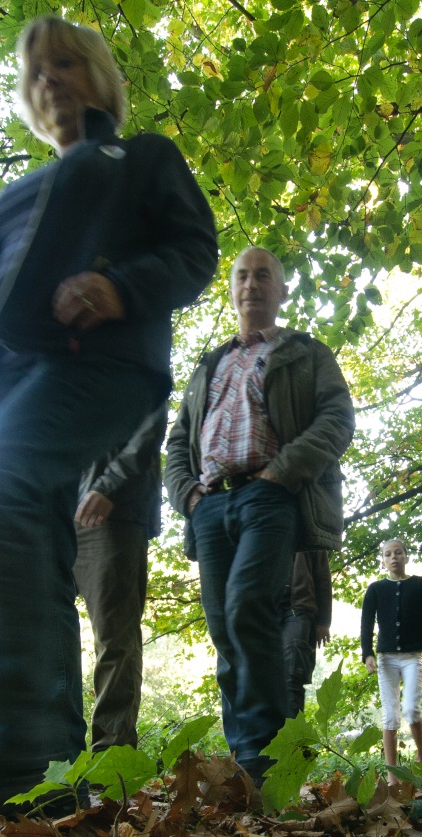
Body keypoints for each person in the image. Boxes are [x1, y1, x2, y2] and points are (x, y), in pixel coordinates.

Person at [0, 16, 218, 812]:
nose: (50, 79)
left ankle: (13, 735)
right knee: (37, 539)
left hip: (110, 364)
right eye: (36, 71)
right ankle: (50, 760)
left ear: (99, 77)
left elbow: (195, 249)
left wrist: (121, 287)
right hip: (25, 382)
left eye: (66, 64)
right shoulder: (18, 192)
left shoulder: (138, 157)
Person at [165, 247, 355, 782]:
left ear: (281, 290)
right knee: (225, 629)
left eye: (263, 275)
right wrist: (190, 497)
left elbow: (338, 417)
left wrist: (281, 473)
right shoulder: (209, 364)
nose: (251, 284)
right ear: (231, 289)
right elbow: (179, 442)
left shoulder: (306, 353)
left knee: (250, 608)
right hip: (209, 505)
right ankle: (246, 761)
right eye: (242, 276)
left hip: (270, 496)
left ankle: (263, 762)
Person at [74, 408, 165, 752]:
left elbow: (150, 422)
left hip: (111, 507)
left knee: (115, 636)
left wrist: (110, 483)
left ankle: (112, 759)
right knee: (48, 635)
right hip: (52, 506)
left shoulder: (132, 356)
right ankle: (54, 752)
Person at [360, 537, 422, 766]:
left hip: (413, 656)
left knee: (411, 708)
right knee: (390, 716)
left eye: (398, 553)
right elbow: (366, 622)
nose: (393, 558)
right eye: (388, 554)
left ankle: (421, 755)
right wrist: (367, 652)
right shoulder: (376, 589)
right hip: (386, 658)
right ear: (383, 561)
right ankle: (392, 776)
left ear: (406, 557)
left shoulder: (421, 584)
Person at [281, 550, 333, 719]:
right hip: (265, 607)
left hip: (299, 607)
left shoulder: (309, 526)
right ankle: (267, 741)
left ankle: (293, 740)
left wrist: (324, 621)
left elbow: (322, 575)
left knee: (292, 671)